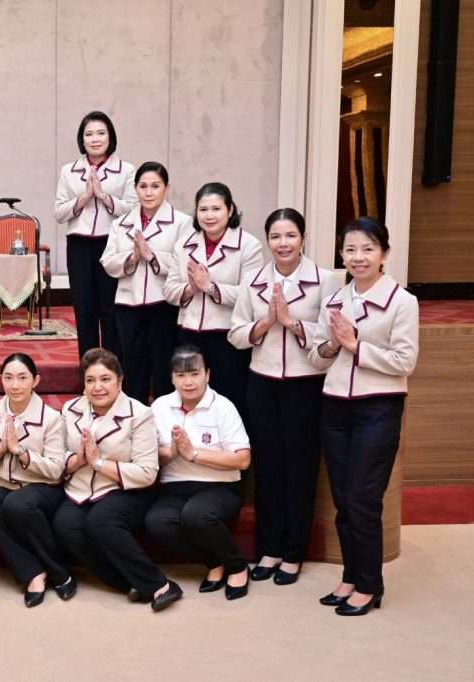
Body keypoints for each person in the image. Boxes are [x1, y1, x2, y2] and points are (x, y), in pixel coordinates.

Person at [309, 217, 419, 616]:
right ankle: (351, 576)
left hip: (378, 408)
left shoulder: (403, 302)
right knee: (343, 498)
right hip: (336, 405)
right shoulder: (336, 299)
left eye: (368, 249)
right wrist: (330, 346)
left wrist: (356, 346)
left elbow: (405, 361)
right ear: (342, 254)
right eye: (351, 249)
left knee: (363, 498)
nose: (359, 257)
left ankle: (370, 585)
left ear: (384, 254)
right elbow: (317, 356)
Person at [228, 208, 338, 585]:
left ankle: (293, 552)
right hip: (262, 382)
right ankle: (269, 548)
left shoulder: (325, 280)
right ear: (268, 241)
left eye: (290, 235)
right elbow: (236, 334)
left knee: (300, 468)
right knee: (269, 468)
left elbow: (330, 336)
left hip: (306, 385)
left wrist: (292, 323)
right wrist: (266, 323)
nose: (283, 243)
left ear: (303, 238)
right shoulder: (253, 280)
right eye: (275, 237)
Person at [52, 349, 183, 613]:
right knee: (65, 525)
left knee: (101, 522)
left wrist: (99, 463)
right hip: (80, 487)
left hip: (125, 488)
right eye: (90, 380)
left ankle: (160, 585)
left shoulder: (140, 413)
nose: (97, 387)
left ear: (120, 381)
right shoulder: (71, 409)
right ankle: (126, 583)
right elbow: (59, 454)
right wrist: (78, 460)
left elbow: (147, 471)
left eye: (105, 379)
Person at [146, 345, 252, 601]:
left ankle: (237, 566)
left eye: (194, 374)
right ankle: (214, 561)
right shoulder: (160, 406)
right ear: (172, 378)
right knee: (157, 521)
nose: (188, 382)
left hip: (220, 486)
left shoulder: (223, 407)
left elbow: (243, 459)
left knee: (196, 515)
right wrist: (172, 452)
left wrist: (193, 454)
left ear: (207, 374)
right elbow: (149, 455)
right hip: (175, 486)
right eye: (181, 375)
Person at [0, 353, 75, 608]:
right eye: (8, 378)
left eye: (22, 378)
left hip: (42, 488)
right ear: (1, 380)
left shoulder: (51, 417)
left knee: (17, 503)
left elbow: (56, 470)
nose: (15, 385)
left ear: (35, 380)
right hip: (4, 486)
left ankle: (60, 571)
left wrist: (21, 452)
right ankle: (33, 572)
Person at [163, 182, 263, 418]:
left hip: (227, 336)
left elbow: (250, 295)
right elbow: (169, 291)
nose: (209, 216)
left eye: (216, 209)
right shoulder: (184, 244)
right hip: (189, 333)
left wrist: (210, 287)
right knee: (190, 398)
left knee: (229, 400)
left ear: (230, 210)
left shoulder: (249, 245)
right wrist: (191, 288)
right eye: (203, 209)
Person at [101, 161, 190, 402]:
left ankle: (165, 419)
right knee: (133, 368)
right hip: (128, 304)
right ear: (136, 189)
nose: (149, 192)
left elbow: (184, 265)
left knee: (163, 369)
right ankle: (136, 417)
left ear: (166, 188)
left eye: (155, 186)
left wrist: (150, 255)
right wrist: (132, 257)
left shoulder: (182, 222)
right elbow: (107, 261)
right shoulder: (121, 223)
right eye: (143, 186)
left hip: (163, 304)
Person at [54, 111, 136, 359]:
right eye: (89, 134)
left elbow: (133, 210)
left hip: (111, 245)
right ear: (82, 139)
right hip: (78, 246)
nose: (95, 139)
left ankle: (113, 367)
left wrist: (103, 196)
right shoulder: (69, 171)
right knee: (84, 309)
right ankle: (88, 367)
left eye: (101, 133)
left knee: (110, 309)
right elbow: (59, 213)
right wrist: (84, 198)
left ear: (110, 137)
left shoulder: (126, 170)